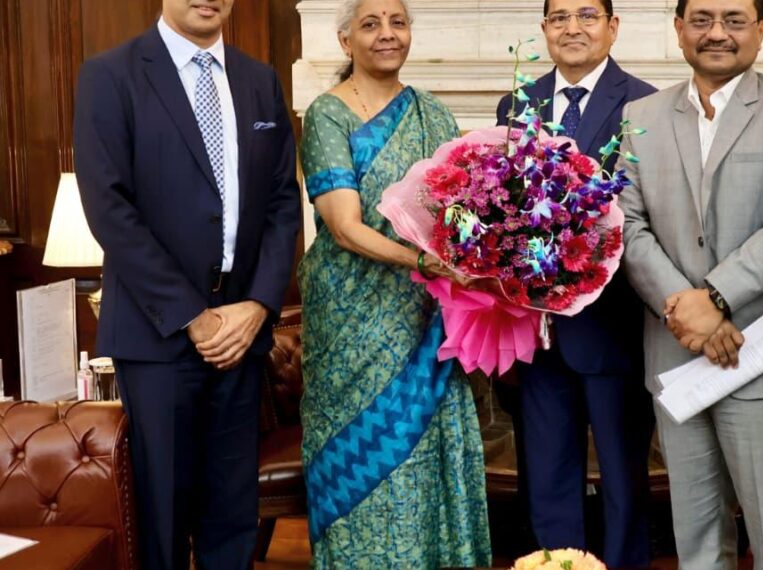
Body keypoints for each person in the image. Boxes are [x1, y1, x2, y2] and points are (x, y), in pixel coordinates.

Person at [72, 0, 302, 567]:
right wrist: (192, 315)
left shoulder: (259, 79)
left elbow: (281, 202)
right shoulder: (111, 74)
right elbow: (109, 209)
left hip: (243, 333)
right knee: (162, 518)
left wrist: (258, 304)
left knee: (233, 515)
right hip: (158, 333)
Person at [618, 0, 763, 567]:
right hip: (675, 348)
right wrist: (686, 312)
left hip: (760, 351)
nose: (717, 33)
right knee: (697, 536)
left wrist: (714, 299)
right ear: (679, 29)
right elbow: (628, 226)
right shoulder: (642, 114)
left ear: (761, 31)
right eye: (702, 19)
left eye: (734, 20)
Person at [297, 0, 492, 567]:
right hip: (351, 318)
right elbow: (344, 225)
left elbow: (462, 213)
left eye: (397, 22)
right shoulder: (328, 115)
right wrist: (424, 262)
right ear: (345, 42)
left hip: (426, 314)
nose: (387, 34)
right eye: (370, 24)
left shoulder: (433, 113)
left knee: (427, 448)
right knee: (360, 451)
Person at [493, 0, 656, 565]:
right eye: (559, 17)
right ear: (543, 30)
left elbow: (646, 212)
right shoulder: (518, 102)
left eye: (588, 15)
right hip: (535, 329)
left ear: (613, 27)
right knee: (547, 471)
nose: (573, 28)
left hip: (613, 325)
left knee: (621, 470)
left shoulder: (647, 104)